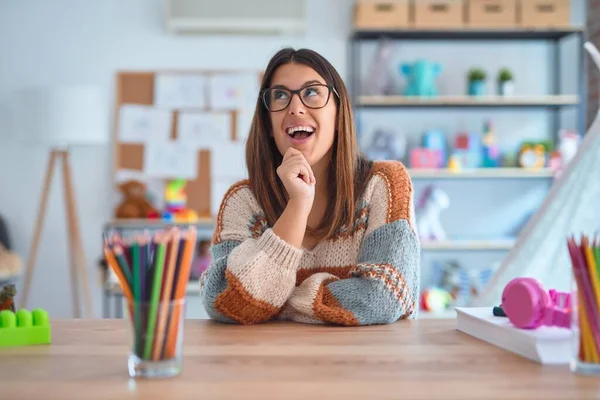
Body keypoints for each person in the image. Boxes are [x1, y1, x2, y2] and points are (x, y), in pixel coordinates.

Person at [200, 47, 420, 326]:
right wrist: (298, 204)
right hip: (270, 364)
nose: (295, 107)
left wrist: (277, 301)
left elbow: (382, 297)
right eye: (280, 95)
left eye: (312, 92)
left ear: (338, 114)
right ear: (268, 124)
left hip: (366, 364)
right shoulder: (243, 200)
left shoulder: (384, 183)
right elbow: (228, 302)